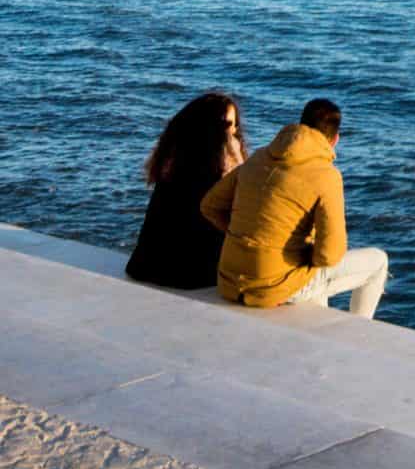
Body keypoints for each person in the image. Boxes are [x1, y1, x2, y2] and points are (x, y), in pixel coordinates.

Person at [200, 96, 388, 318]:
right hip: (271, 288)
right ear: (335, 139)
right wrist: (301, 253)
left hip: (230, 280)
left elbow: (209, 205)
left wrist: (248, 236)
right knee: (378, 262)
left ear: (300, 125)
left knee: (311, 269)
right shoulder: (326, 176)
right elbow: (329, 255)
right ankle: (360, 328)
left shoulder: (259, 157)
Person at [126, 90, 247, 290]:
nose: (233, 131)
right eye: (227, 125)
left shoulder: (174, 159)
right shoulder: (213, 168)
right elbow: (246, 197)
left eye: (235, 125)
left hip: (146, 266)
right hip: (191, 274)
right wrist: (236, 156)